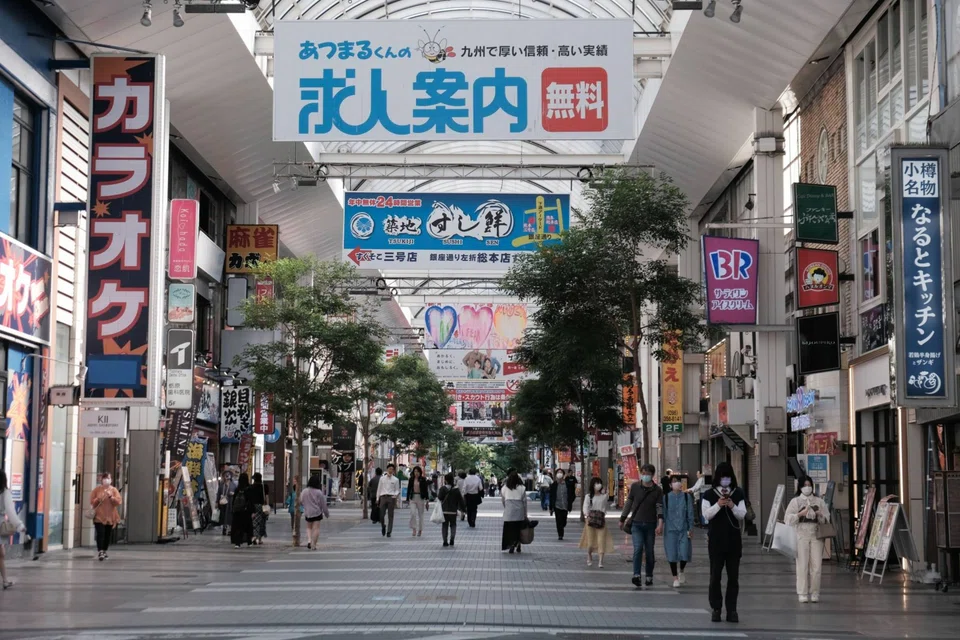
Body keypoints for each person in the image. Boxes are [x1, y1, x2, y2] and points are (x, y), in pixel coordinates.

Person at [702, 461, 747, 623]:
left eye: (728, 477)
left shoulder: (738, 493)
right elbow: (706, 515)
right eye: (722, 477)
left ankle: (732, 610)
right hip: (716, 541)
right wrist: (718, 505)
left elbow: (742, 514)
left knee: (733, 577)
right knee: (715, 576)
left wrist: (732, 505)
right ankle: (716, 608)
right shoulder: (708, 494)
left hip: (734, 542)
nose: (725, 480)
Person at [785, 474, 829, 603]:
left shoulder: (819, 501)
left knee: (817, 566)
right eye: (805, 485)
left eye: (809, 485)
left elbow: (827, 518)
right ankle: (802, 592)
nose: (807, 487)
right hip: (801, 535)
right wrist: (800, 514)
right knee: (802, 565)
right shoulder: (795, 501)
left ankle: (815, 592)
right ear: (800, 487)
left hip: (816, 535)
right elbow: (787, 519)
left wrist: (820, 515)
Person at [619, 463, 664, 588]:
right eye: (643, 473)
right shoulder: (635, 487)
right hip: (636, 523)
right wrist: (622, 519)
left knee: (649, 551)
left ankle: (649, 575)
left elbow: (659, 508)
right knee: (638, 548)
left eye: (647, 474)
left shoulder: (657, 490)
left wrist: (660, 524)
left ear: (652, 475)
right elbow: (629, 503)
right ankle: (636, 575)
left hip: (650, 524)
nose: (645, 476)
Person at [663, 473, 695, 588]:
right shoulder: (666, 498)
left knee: (684, 553)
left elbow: (690, 513)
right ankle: (675, 577)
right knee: (672, 554)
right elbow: (663, 514)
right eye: (674, 481)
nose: (676, 483)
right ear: (670, 485)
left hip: (684, 529)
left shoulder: (686, 497)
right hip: (670, 530)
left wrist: (691, 528)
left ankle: (681, 570)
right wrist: (660, 526)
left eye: (678, 481)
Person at [579, 476, 615, 567]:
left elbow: (605, 506)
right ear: (592, 485)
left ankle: (601, 561)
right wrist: (587, 516)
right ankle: (589, 554)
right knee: (590, 542)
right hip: (590, 521)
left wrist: (607, 491)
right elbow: (585, 507)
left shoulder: (604, 497)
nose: (598, 485)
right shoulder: (588, 497)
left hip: (601, 521)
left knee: (601, 540)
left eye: (599, 483)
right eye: (596, 483)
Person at [0, 470, 26, 587]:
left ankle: (5, 580)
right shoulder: (5, 493)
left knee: (1, 554)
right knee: (1, 554)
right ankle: (5, 580)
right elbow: (11, 512)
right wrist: (19, 525)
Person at [89, 471, 122, 561]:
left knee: (107, 535)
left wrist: (111, 497)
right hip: (99, 516)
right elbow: (92, 502)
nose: (106, 480)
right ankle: (100, 551)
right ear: (101, 480)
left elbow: (118, 502)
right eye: (104, 478)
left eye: (108, 478)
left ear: (111, 480)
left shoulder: (114, 490)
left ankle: (104, 550)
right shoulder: (97, 490)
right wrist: (98, 499)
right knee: (100, 534)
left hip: (110, 517)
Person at [501, 470, 528, 554]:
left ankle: (511, 544)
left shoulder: (504, 488)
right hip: (519, 511)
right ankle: (518, 543)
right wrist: (525, 513)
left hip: (509, 511)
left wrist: (506, 507)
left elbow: (503, 500)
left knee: (509, 529)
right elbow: (524, 502)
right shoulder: (522, 488)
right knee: (518, 528)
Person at [300, 474, 330, 550]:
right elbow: (323, 504)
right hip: (317, 512)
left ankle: (309, 541)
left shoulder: (304, 491)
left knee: (309, 527)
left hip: (308, 512)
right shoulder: (319, 492)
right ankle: (314, 545)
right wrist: (326, 513)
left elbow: (301, 501)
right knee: (316, 528)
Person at [438, 471, 466, 547]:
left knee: (445, 526)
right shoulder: (456, 490)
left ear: (446, 480)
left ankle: (445, 541)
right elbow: (460, 500)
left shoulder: (442, 489)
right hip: (453, 511)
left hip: (444, 510)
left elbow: (439, 498)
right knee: (453, 525)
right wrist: (463, 509)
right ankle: (452, 539)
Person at [376, 463, 401, 537]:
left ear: (393, 471)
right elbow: (379, 488)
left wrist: (395, 495)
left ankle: (389, 531)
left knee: (390, 515)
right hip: (383, 497)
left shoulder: (395, 480)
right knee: (381, 514)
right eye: (389, 469)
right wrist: (377, 498)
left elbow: (397, 490)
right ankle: (383, 526)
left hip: (391, 498)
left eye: (392, 469)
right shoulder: (382, 478)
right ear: (387, 469)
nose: (391, 470)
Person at [549, 468, 574, 540]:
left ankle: (562, 526)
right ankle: (560, 534)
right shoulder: (554, 485)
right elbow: (551, 497)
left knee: (564, 520)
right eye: (558, 472)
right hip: (557, 505)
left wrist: (570, 502)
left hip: (565, 505)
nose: (559, 474)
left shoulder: (567, 484)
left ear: (563, 475)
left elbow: (572, 494)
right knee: (558, 520)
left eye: (561, 472)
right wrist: (550, 508)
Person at [231, 473, 253, 548]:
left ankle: (237, 543)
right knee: (248, 527)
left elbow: (234, 501)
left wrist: (233, 509)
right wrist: (252, 511)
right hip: (246, 511)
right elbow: (251, 501)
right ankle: (249, 542)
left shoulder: (237, 489)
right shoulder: (249, 489)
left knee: (238, 527)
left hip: (237, 511)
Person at [406, 466, 429, 537]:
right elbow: (409, 489)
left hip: (420, 498)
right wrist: (407, 498)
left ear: (420, 472)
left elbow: (426, 490)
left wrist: (427, 500)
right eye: (415, 471)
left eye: (418, 471)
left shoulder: (423, 479)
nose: (416, 473)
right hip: (413, 497)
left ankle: (420, 530)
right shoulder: (411, 479)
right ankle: (414, 528)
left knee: (420, 515)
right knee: (413, 513)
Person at [250, 472, 269, 545]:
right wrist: (267, 505)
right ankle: (260, 539)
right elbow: (266, 497)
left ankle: (254, 537)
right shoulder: (264, 486)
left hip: (253, 506)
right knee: (262, 522)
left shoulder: (251, 487)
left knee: (254, 522)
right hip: (262, 506)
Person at [217, 470, 237, 536]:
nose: (227, 476)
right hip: (223, 503)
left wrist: (233, 494)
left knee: (230, 516)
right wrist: (217, 502)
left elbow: (236, 493)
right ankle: (224, 528)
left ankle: (230, 530)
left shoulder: (233, 485)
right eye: (225, 475)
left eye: (228, 475)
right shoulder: (221, 485)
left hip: (230, 503)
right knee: (223, 516)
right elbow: (218, 493)